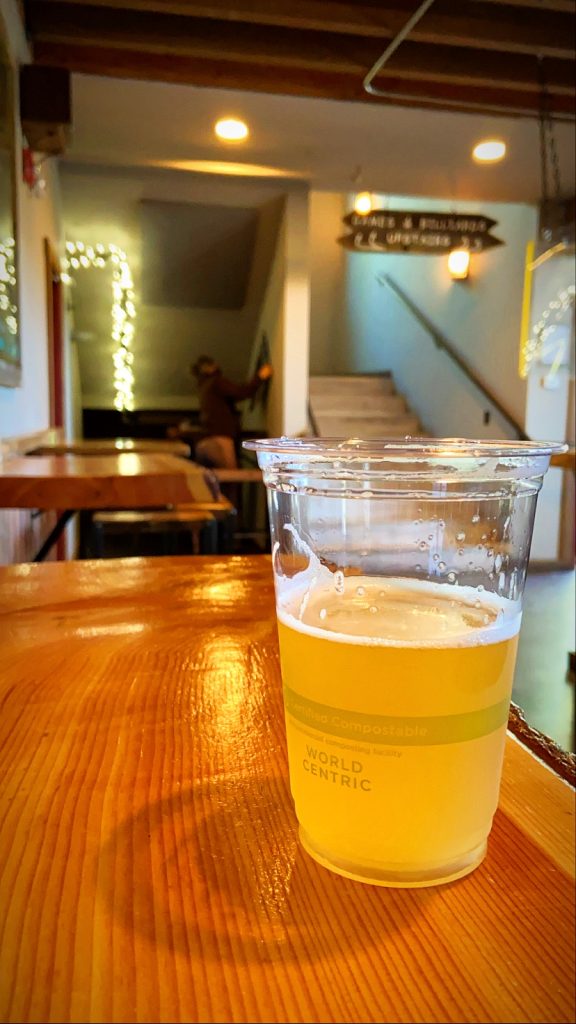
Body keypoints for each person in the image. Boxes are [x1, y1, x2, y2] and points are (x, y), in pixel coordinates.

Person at [190, 355, 273, 469]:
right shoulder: (216, 382)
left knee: (214, 479)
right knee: (231, 476)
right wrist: (260, 376)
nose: (217, 366)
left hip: (206, 439)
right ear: (207, 367)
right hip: (221, 437)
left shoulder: (203, 387)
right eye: (214, 364)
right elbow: (241, 392)